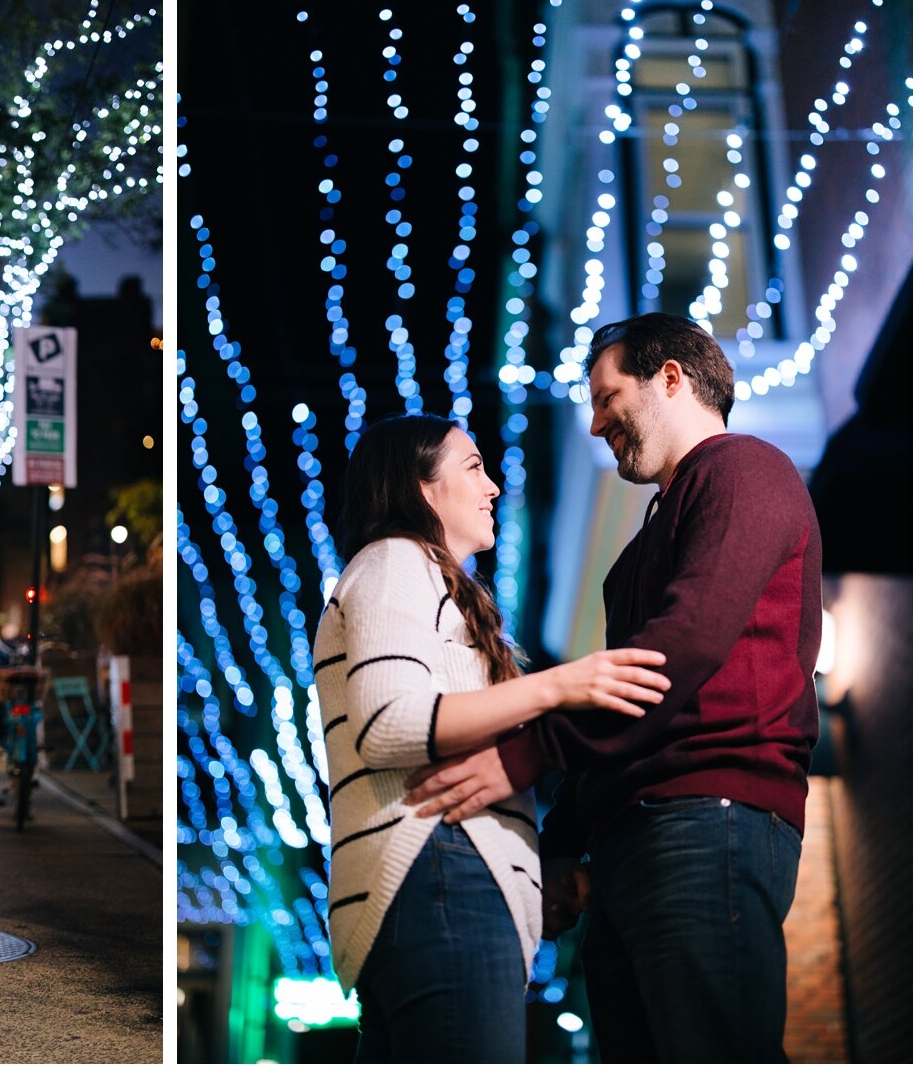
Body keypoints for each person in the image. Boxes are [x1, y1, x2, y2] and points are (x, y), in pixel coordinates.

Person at [406, 313, 822, 1062]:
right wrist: (565, 842)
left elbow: (680, 650)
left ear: (671, 378)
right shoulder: (642, 548)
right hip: (638, 837)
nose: (596, 424)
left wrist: (523, 758)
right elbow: (628, 701)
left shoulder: (744, 469)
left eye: (607, 397)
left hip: (710, 815)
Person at [314, 413, 670, 1062]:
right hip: (439, 873)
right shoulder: (396, 561)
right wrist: (562, 686)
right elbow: (388, 723)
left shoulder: (432, 580)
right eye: (473, 467)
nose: (494, 487)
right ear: (423, 489)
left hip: (438, 881)